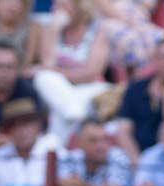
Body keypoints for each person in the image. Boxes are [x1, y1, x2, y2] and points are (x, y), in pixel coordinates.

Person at [33, 0, 112, 143]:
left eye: (64, 5)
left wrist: (57, 72)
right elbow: (47, 66)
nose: (58, 10)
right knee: (42, 77)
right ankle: (76, 114)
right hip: (59, 90)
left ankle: (56, 149)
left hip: (90, 90)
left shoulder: (97, 32)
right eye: (56, 5)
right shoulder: (50, 30)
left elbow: (91, 73)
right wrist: (54, 31)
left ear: (79, 7)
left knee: (61, 112)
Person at [0, 97, 60, 186]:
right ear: (7, 131)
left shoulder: (58, 152)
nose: (21, 131)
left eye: (26, 124)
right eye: (15, 126)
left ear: (38, 126)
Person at [57, 118, 132, 186]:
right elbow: (62, 182)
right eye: (93, 140)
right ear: (79, 142)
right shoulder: (70, 157)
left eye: (104, 139)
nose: (101, 146)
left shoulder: (118, 157)